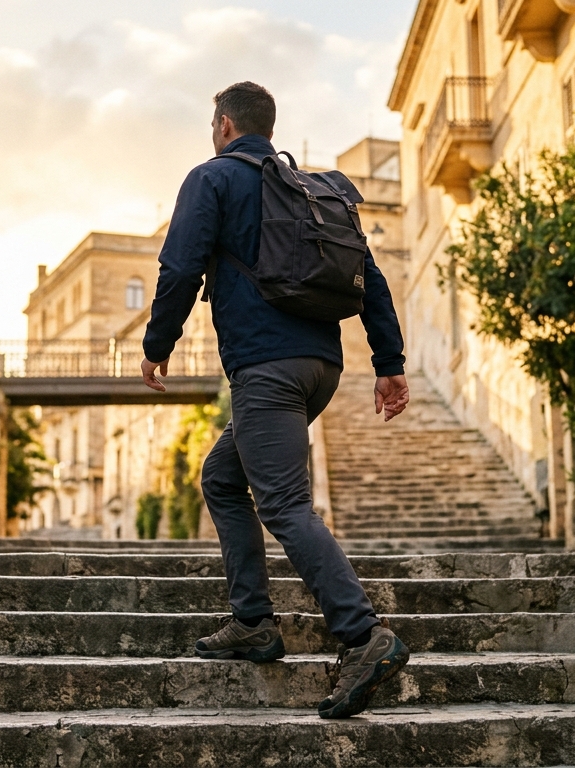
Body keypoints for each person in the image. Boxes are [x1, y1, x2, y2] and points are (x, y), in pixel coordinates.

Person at [139, 81, 411, 719]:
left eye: (214, 125)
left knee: (286, 506)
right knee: (222, 477)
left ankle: (363, 634)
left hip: (266, 370)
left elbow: (179, 267)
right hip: (320, 368)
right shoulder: (314, 191)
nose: (214, 134)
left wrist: (157, 344)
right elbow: (369, 278)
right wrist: (389, 364)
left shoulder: (213, 180)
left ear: (225, 125)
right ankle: (254, 623)